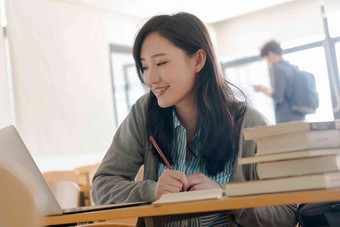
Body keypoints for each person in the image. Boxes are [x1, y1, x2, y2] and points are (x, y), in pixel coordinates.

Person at [92, 13, 297, 227]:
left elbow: (287, 213)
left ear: (198, 60)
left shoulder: (249, 123)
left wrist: (226, 198)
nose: (150, 79)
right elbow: (102, 187)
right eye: (144, 67)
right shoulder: (144, 113)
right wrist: (153, 190)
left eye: (161, 62)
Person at [254, 40, 305, 123]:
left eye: (266, 58)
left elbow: (279, 96)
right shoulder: (290, 67)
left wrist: (262, 89)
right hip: (299, 114)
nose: (267, 62)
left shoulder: (278, 69)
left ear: (270, 54)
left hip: (287, 116)